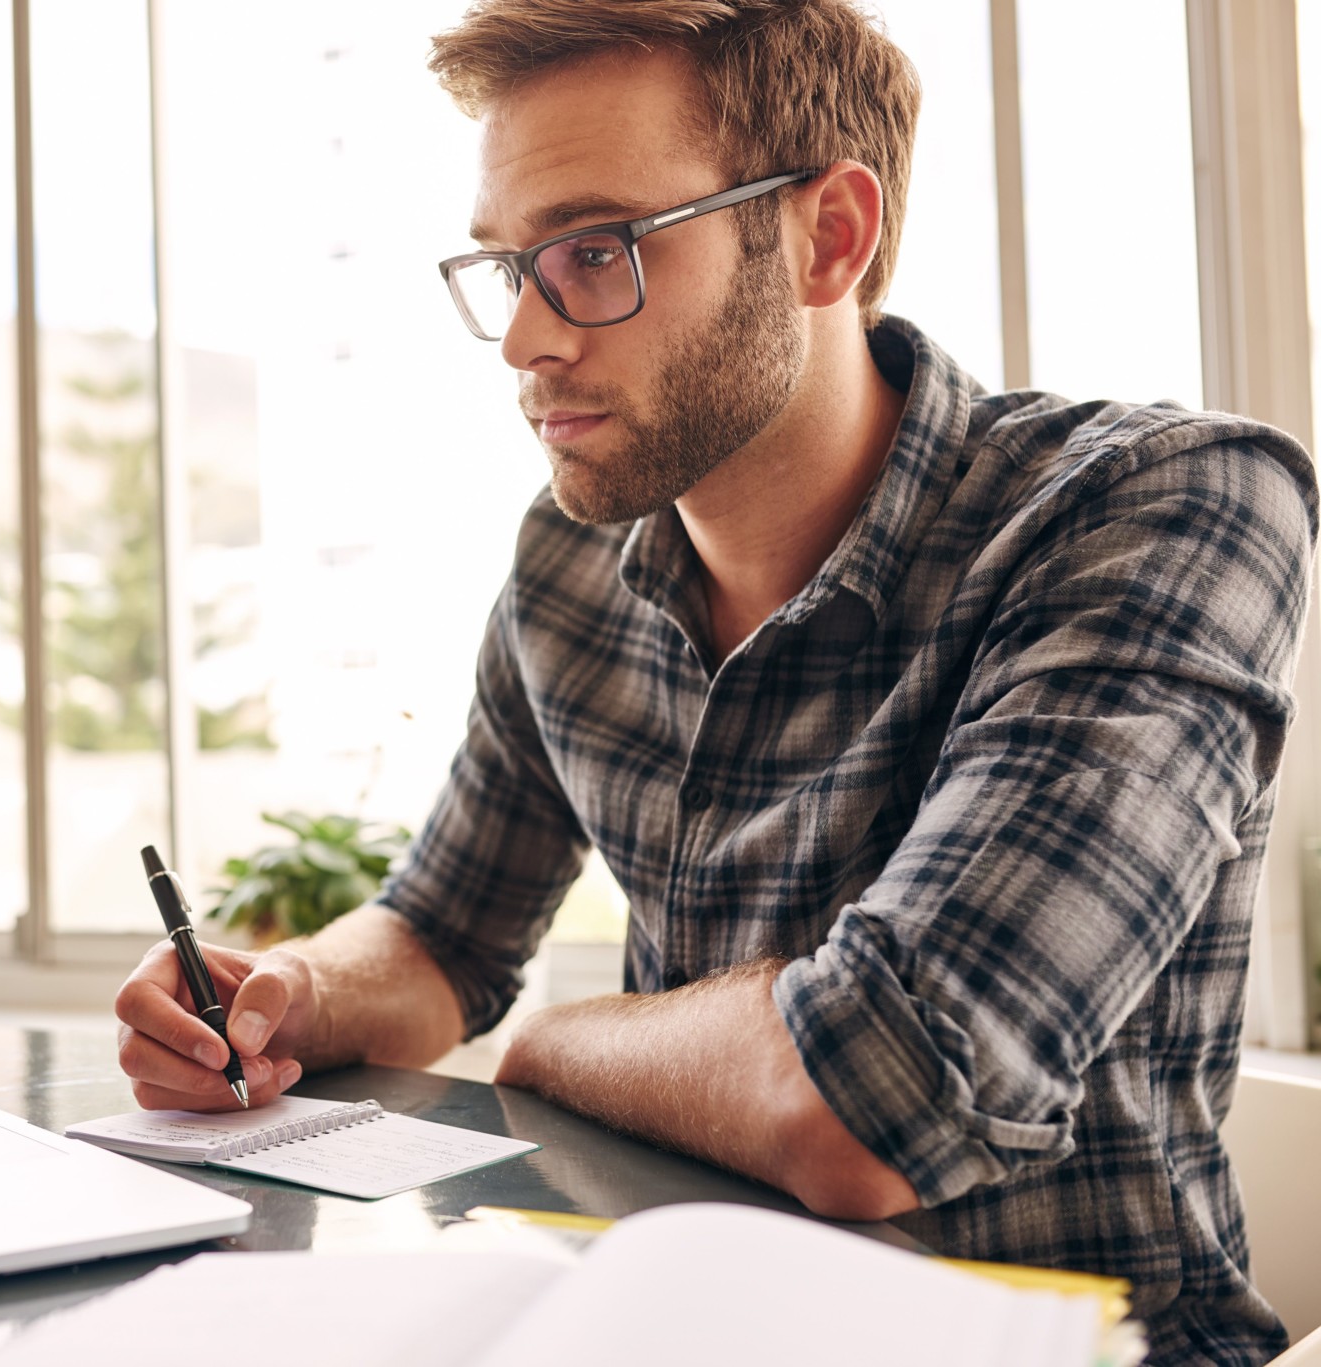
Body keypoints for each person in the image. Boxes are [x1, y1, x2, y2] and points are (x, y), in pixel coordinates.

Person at [111, 2, 1315, 1361]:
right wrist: (289, 996)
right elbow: (444, 934)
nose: (526, 341)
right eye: (511, 267)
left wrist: (561, 1044)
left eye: (593, 251)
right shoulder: (571, 566)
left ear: (828, 237)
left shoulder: (1160, 507)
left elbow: (881, 1098)